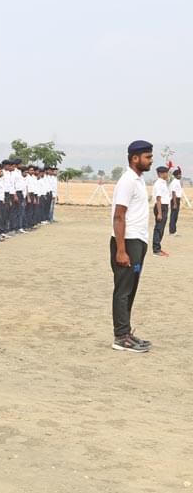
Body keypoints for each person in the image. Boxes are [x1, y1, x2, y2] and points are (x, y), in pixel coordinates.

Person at [110, 140, 154, 352]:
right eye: (147, 157)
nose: (150, 161)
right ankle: (120, 336)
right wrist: (120, 250)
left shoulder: (138, 180)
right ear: (135, 158)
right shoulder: (127, 181)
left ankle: (126, 332)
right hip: (126, 242)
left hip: (137, 242)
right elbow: (119, 216)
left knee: (131, 288)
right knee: (123, 289)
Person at [151, 165, 171, 257]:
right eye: (166, 172)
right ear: (161, 173)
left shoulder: (163, 183)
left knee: (161, 228)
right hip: (160, 207)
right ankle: (156, 250)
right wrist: (159, 213)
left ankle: (158, 247)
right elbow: (158, 199)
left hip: (164, 207)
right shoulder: (159, 184)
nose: (167, 174)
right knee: (159, 228)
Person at [169, 167, 182, 235]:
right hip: (175, 200)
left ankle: (173, 230)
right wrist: (174, 203)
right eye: (179, 174)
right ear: (176, 175)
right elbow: (173, 192)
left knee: (175, 216)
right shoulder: (174, 182)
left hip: (177, 199)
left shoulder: (177, 182)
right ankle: (172, 231)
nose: (180, 175)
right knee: (173, 216)